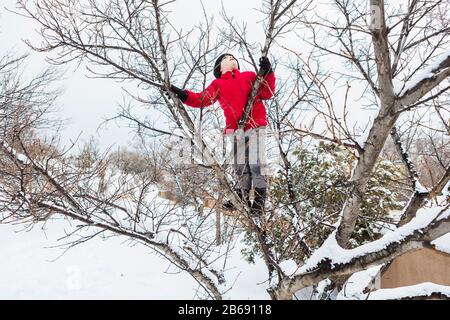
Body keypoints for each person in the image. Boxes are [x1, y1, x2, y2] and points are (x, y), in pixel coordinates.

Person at [168, 53, 276, 216]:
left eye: (234, 57)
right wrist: (182, 94)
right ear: (219, 67)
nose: (232, 58)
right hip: (235, 130)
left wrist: (267, 71)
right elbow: (201, 99)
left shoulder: (249, 76)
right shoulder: (218, 84)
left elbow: (267, 92)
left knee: (256, 164)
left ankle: (259, 202)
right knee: (241, 168)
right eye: (227, 58)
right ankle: (241, 198)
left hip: (255, 125)